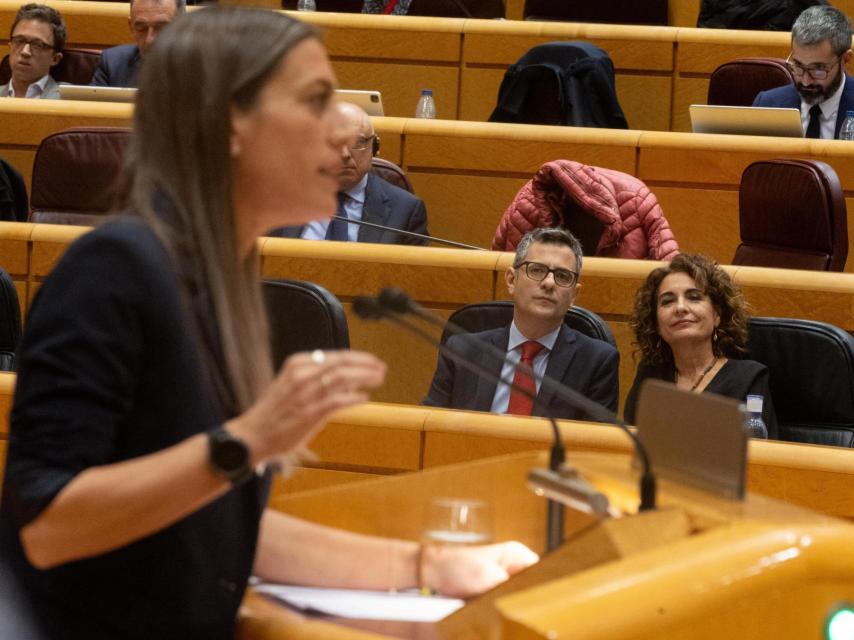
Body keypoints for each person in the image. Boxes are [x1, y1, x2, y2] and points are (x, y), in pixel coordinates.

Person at [0, 8, 537, 640]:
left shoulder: (221, 279)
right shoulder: (117, 268)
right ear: (233, 123)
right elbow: (47, 525)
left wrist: (430, 565)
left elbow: (220, 522)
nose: (340, 130)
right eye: (313, 101)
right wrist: (247, 439)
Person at [423, 227, 620, 419]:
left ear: (574, 295)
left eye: (562, 276)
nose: (549, 283)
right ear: (511, 279)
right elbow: (428, 426)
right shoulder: (462, 351)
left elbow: (592, 447)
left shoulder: (596, 362)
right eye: (536, 270)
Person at [623, 254, 778, 438]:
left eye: (694, 298)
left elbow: (759, 453)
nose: (680, 308)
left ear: (717, 315)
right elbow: (632, 443)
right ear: (656, 323)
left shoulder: (749, 379)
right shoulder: (650, 375)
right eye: (667, 301)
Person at [268, 101, 429, 244]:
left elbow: (412, 275)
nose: (344, 154)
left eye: (358, 142)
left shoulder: (405, 210)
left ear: (374, 147)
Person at [752, 5, 854, 139]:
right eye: (798, 66)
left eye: (818, 69)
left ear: (846, 59)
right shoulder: (767, 106)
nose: (806, 81)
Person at [89, 0, 184, 88]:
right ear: (131, 27)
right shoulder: (113, 63)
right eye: (141, 28)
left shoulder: (198, 67)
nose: (149, 40)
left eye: (161, 28)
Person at [0, 4, 65, 99]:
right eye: (20, 41)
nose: (25, 52)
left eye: (38, 45)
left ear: (55, 58)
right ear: (10, 47)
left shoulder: (70, 99)